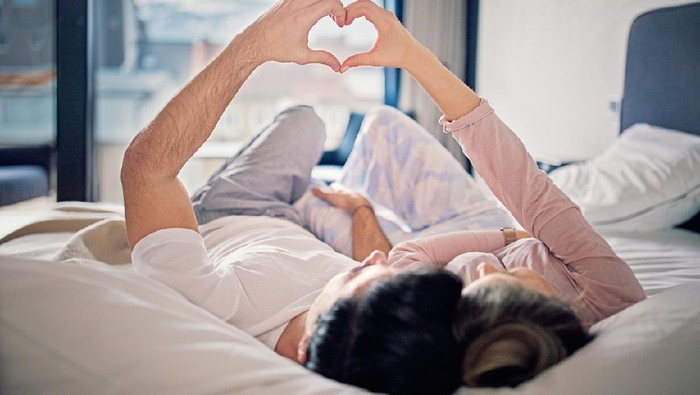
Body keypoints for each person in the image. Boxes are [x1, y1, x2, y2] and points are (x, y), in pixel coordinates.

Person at [121, 0, 645, 393]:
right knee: (326, 134)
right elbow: (393, 259)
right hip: (297, 230)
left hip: (235, 212)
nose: (375, 258)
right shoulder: (394, 315)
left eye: (360, 272)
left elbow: (147, 171)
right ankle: (330, 187)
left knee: (304, 121)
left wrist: (252, 45)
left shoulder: (220, 308)